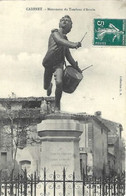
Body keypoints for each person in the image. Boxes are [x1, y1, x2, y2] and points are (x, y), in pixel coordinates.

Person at [42, 15, 82, 112]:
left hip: (58, 64)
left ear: (70, 27)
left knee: (59, 83)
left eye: (67, 21)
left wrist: (77, 67)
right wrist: (74, 44)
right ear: (59, 23)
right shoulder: (55, 33)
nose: (64, 21)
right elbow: (60, 41)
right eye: (63, 20)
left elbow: (68, 56)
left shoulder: (66, 40)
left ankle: (57, 105)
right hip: (49, 63)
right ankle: (49, 86)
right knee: (45, 86)